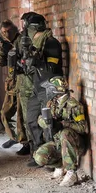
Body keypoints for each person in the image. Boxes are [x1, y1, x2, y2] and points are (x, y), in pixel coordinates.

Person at [22, 13, 64, 167]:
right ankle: (38, 153)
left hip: (50, 87)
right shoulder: (35, 45)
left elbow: (52, 68)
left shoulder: (51, 43)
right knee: (31, 119)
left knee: (49, 123)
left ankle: (52, 159)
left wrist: (38, 62)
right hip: (37, 86)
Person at [34, 76, 88, 187]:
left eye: (50, 88)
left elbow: (83, 128)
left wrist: (64, 124)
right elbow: (40, 119)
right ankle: (60, 166)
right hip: (59, 143)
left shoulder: (74, 106)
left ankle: (71, 172)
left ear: (56, 90)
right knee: (39, 157)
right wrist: (48, 123)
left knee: (65, 133)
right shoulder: (52, 103)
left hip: (75, 144)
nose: (47, 90)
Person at [0, 20, 27, 149]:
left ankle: (25, 143)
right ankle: (14, 137)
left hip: (23, 83)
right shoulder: (5, 43)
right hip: (12, 84)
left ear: (14, 30)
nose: (6, 34)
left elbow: (26, 60)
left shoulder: (22, 41)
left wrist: (14, 51)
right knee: (5, 113)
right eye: (3, 32)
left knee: (21, 116)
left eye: (8, 31)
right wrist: (4, 50)